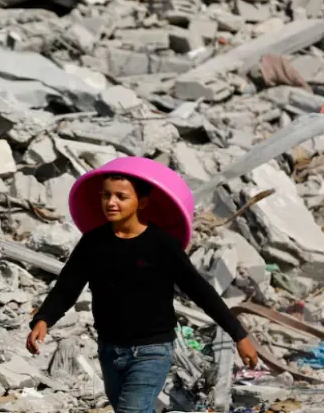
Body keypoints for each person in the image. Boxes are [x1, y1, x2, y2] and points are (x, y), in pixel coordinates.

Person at [26, 173, 258, 413]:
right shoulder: (93, 243)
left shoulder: (162, 244)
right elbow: (67, 286)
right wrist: (44, 319)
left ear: (142, 202)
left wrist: (238, 334)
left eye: (121, 196)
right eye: (106, 195)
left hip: (152, 350)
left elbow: (200, 291)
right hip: (110, 349)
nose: (111, 202)